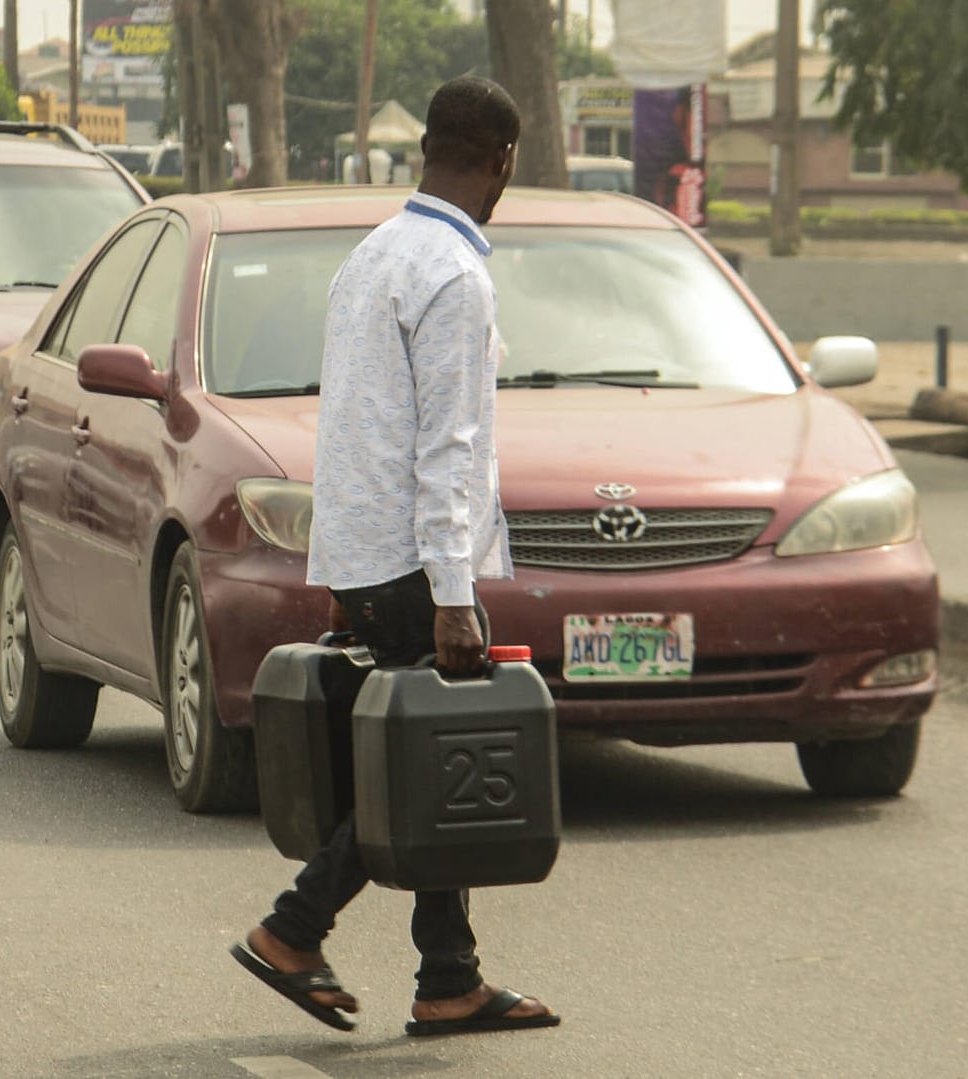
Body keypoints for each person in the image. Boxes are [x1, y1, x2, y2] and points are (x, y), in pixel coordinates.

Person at [230, 75, 561, 1038]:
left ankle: (449, 977)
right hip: (420, 566)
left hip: (368, 553)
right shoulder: (455, 275)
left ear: (426, 149)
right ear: (501, 161)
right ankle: (293, 929)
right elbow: (446, 445)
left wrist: (337, 569)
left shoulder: (372, 255)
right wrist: (455, 593)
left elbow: (348, 425)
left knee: (431, 758)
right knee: (423, 768)